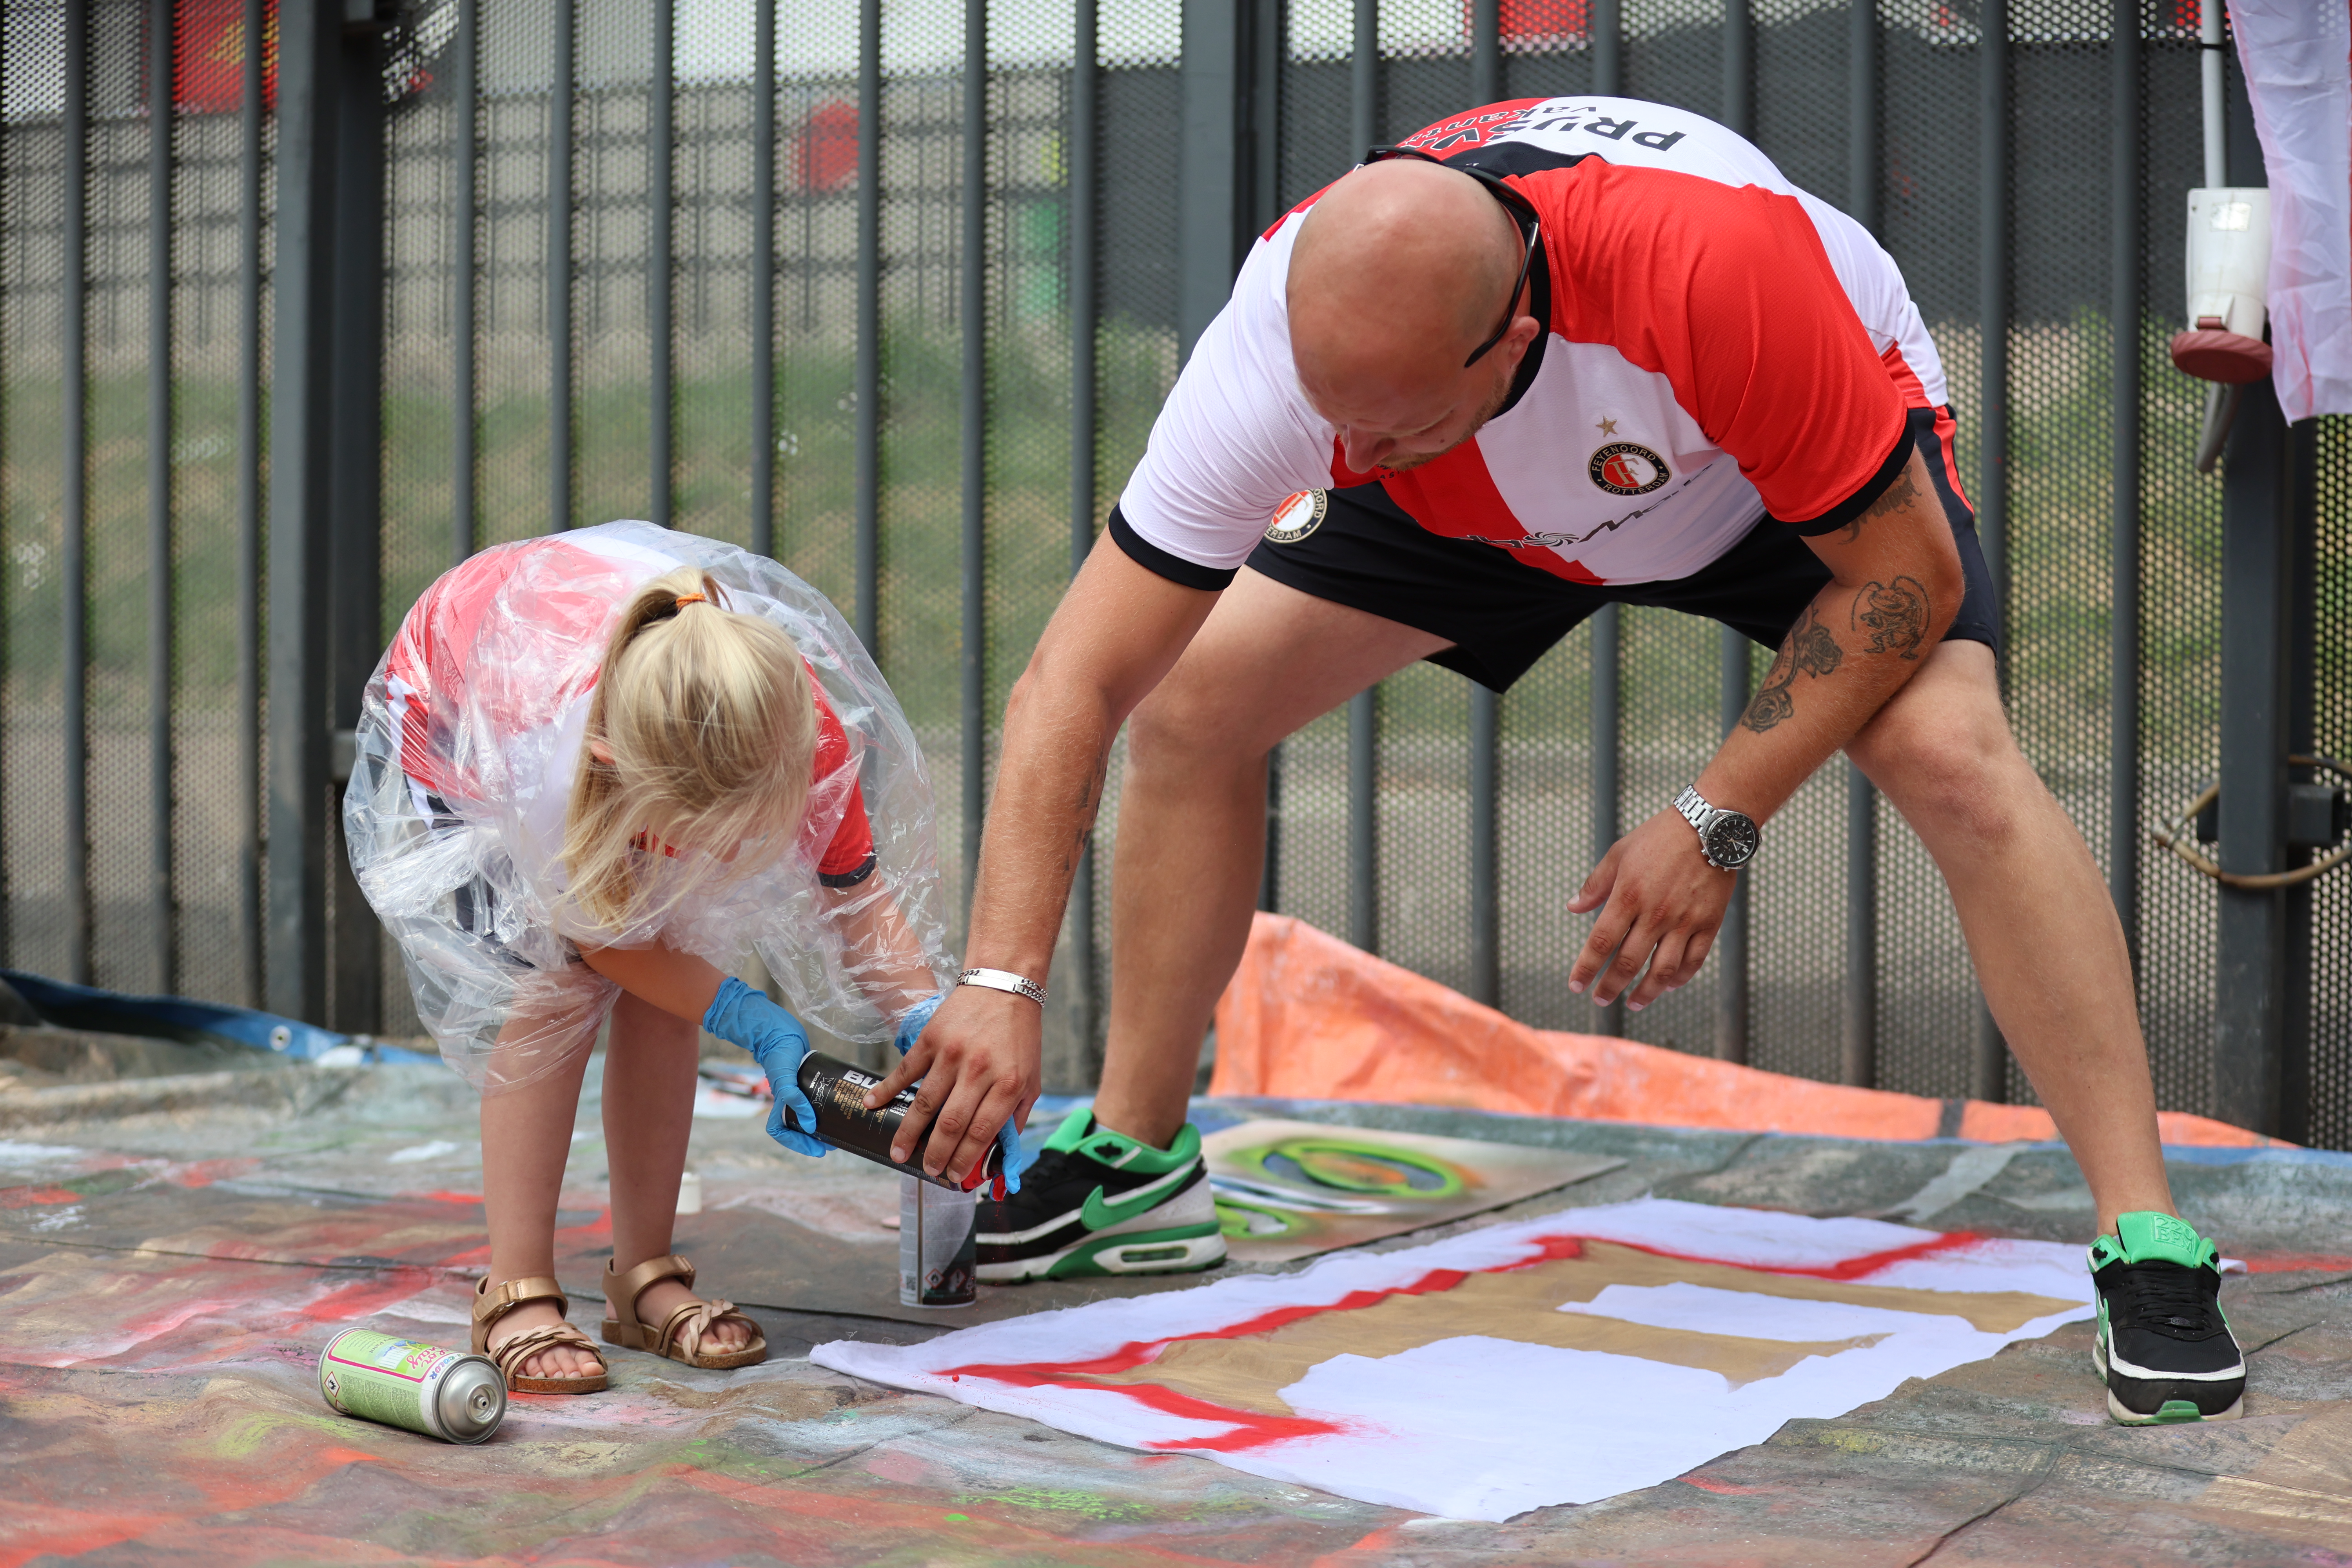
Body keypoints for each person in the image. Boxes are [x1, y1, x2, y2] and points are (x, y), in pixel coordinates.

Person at [871, 95, 2248, 1425]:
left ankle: (2148, 1232)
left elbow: (1903, 584)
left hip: (1747, 476)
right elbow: (1080, 673)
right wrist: (1003, 979)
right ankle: (1139, 1160)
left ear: (1512, 334)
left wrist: (1720, 813)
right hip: (1467, 492)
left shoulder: (1718, 272)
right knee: (1191, 708)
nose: (1340, 452)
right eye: (1329, 414)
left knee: (1953, 757)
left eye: (1384, 419)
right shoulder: (1301, 359)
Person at [346, 520, 968, 1394]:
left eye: (767, 819)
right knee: (553, 984)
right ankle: (514, 1285)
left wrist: (940, 1034)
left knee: (674, 971)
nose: (755, 846)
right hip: (465, 695)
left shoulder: (797, 731)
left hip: (605, 694)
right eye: (725, 832)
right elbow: (593, 934)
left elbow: (860, 906)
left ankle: (645, 1275)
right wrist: (755, 1020)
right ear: (617, 766)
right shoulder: (549, 755)